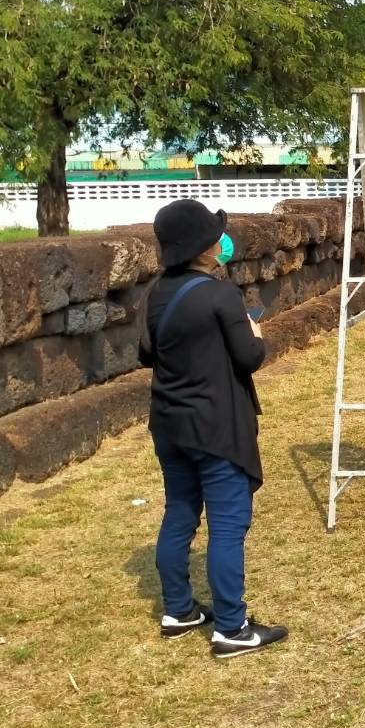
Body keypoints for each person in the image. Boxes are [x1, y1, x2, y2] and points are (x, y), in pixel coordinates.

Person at [138, 199, 287, 659]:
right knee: (227, 524)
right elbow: (248, 357)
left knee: (180, 511)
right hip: (217, 427)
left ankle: (178, 610)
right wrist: (257, 336)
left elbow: (147, 354)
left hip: (169, 423)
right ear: (205, 250)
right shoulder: (221, 296)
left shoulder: (155, 293)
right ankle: (231, 627)